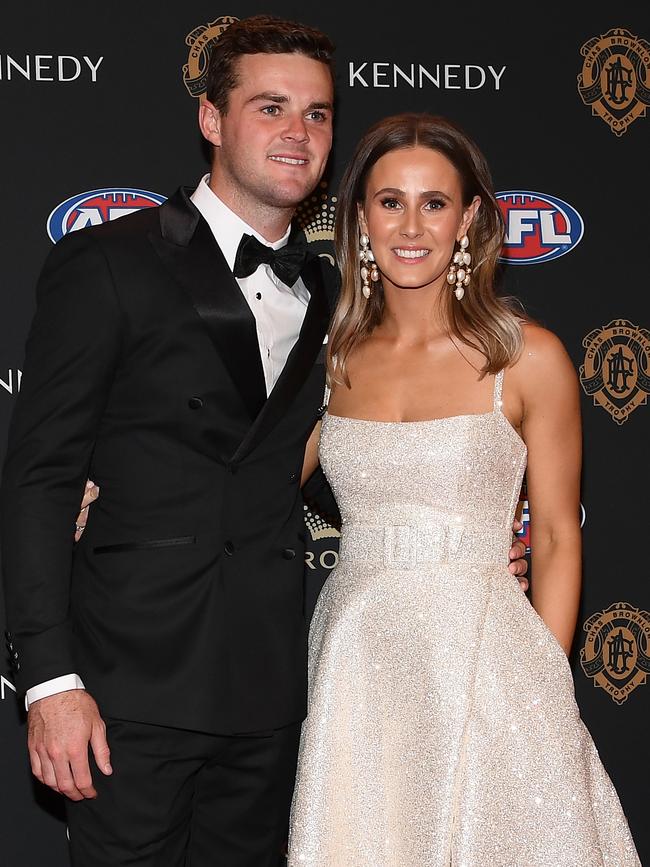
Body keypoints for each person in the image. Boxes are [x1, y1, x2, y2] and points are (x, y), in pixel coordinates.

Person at [0, 17, 529, 866]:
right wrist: (51, 684)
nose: (298, 133)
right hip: (129, 690)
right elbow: (39, 479)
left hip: (273, 695)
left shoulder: (339, 299)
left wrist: (448, 533)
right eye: (271, 107)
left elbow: (322, 460)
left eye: (318, 114)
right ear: (212, 119)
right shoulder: (108, 263)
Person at [288, 113, 640, 865]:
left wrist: (543, 677)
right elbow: (249, 482)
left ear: (470, 217)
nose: (411, 226)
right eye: (389, 202)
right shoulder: (329, 360)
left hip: (489, 661)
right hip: (360, 659)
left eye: (434, 203)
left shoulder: (528, 357)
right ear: (358, 217)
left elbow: (553, 534)